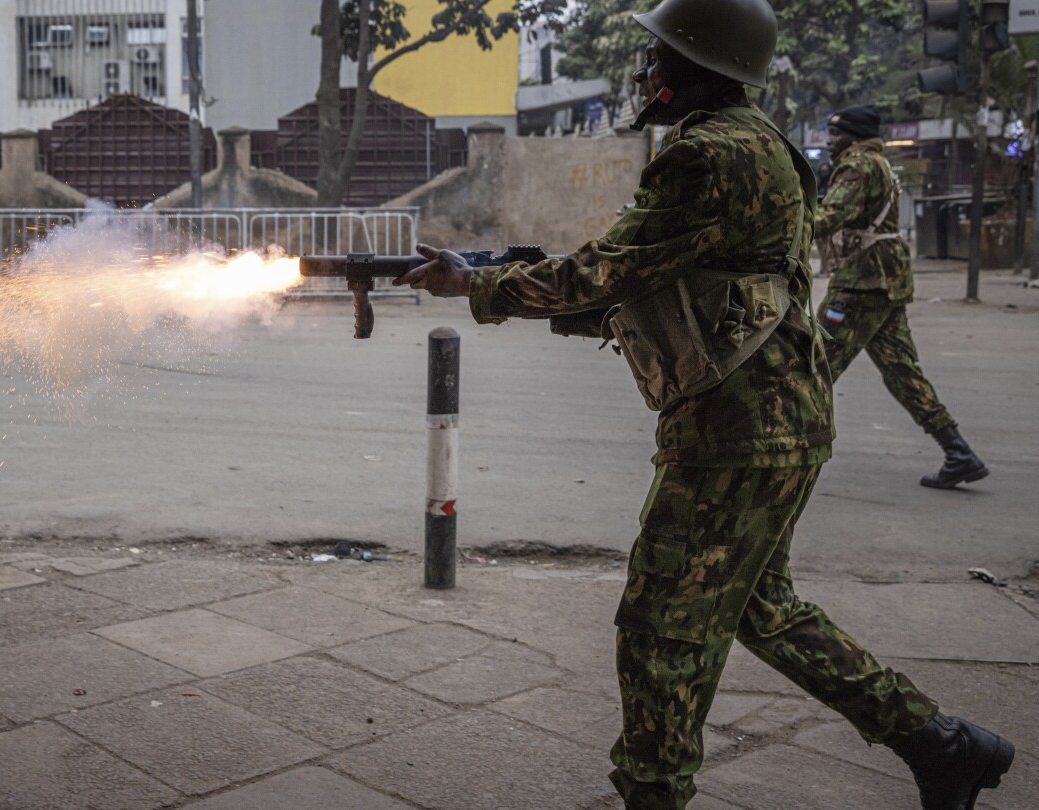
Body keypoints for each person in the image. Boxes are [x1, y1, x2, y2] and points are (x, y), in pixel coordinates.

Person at [391, 0, 1014, 807]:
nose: (648, 71)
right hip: (779, 417)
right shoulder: (761, 144)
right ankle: (943, 746)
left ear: (703, 67)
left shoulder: (708, 157)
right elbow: (657, 284)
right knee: (764, 609)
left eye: (662, 57)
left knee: (661, 634)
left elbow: (602, 275)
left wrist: (479, 282)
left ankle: (655, 794)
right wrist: (492, 275)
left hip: (735, 429)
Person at [815, 105, 988, 489]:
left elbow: (829, 217)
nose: (829, 142)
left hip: (861, 284)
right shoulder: (880, 162)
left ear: (855, 137)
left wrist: (775, 227)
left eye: (835, 135)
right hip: (886, 281)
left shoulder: (857, 165)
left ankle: (797, 454)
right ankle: (958, 451)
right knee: (902, 371)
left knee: (813, 365)